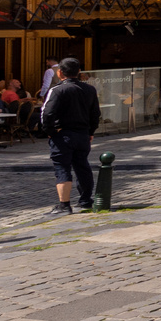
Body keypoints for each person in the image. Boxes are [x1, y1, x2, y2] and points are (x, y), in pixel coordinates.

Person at [39, 58, 100, 215]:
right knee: (82, 166)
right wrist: (91, 132)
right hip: (82, 134)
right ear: (79, 72)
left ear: (60, 73)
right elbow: (95, 114)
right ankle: (86, 200)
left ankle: (64, 205)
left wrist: (51, 132)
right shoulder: (89, 89)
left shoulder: (57, 90)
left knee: (62, 167)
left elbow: (47, 114)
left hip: (63, 134)